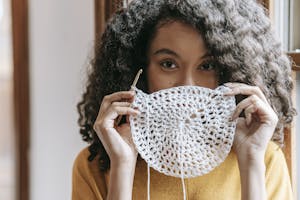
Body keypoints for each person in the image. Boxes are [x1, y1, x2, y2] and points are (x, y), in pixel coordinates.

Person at [72, 0, 296, 199]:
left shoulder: (263, 158)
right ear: (138, 70)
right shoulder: (94, 167)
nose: (187, 84)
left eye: (207, 66)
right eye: (168, 64)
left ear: (230, 72)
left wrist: (251, 165)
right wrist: (122, 167)